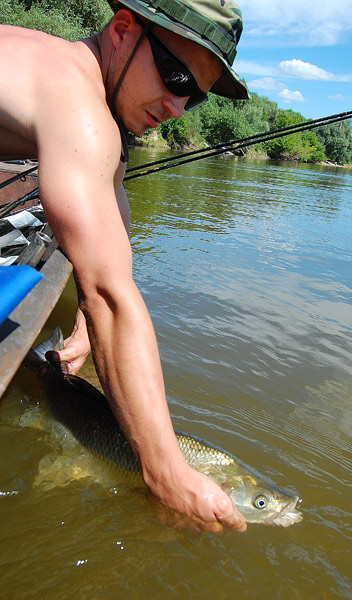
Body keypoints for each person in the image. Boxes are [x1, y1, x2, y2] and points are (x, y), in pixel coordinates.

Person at [0, 0, 249, 532]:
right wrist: (165, 472)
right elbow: (111, 294)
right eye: (175, 74)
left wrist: (90, 322)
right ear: (122, 30)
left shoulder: (76, 87)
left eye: (196, 95)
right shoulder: (79, 110)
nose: (180, 106)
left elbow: (117, 228)